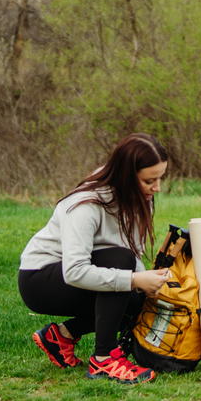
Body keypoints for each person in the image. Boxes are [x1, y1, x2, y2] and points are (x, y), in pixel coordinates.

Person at [18, 133, 171, 385]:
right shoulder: (84, 205)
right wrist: (133, 278)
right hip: (41, 279)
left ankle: (60, 337)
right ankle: (104, 360)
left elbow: (132, 250)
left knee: (137, 301)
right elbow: (75, 271)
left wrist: (145, 286)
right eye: (149, 180)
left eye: (160, 178)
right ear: (126, 176)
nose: (157, 188)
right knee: (122, 268)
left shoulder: (141, 197)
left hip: (90, 268)